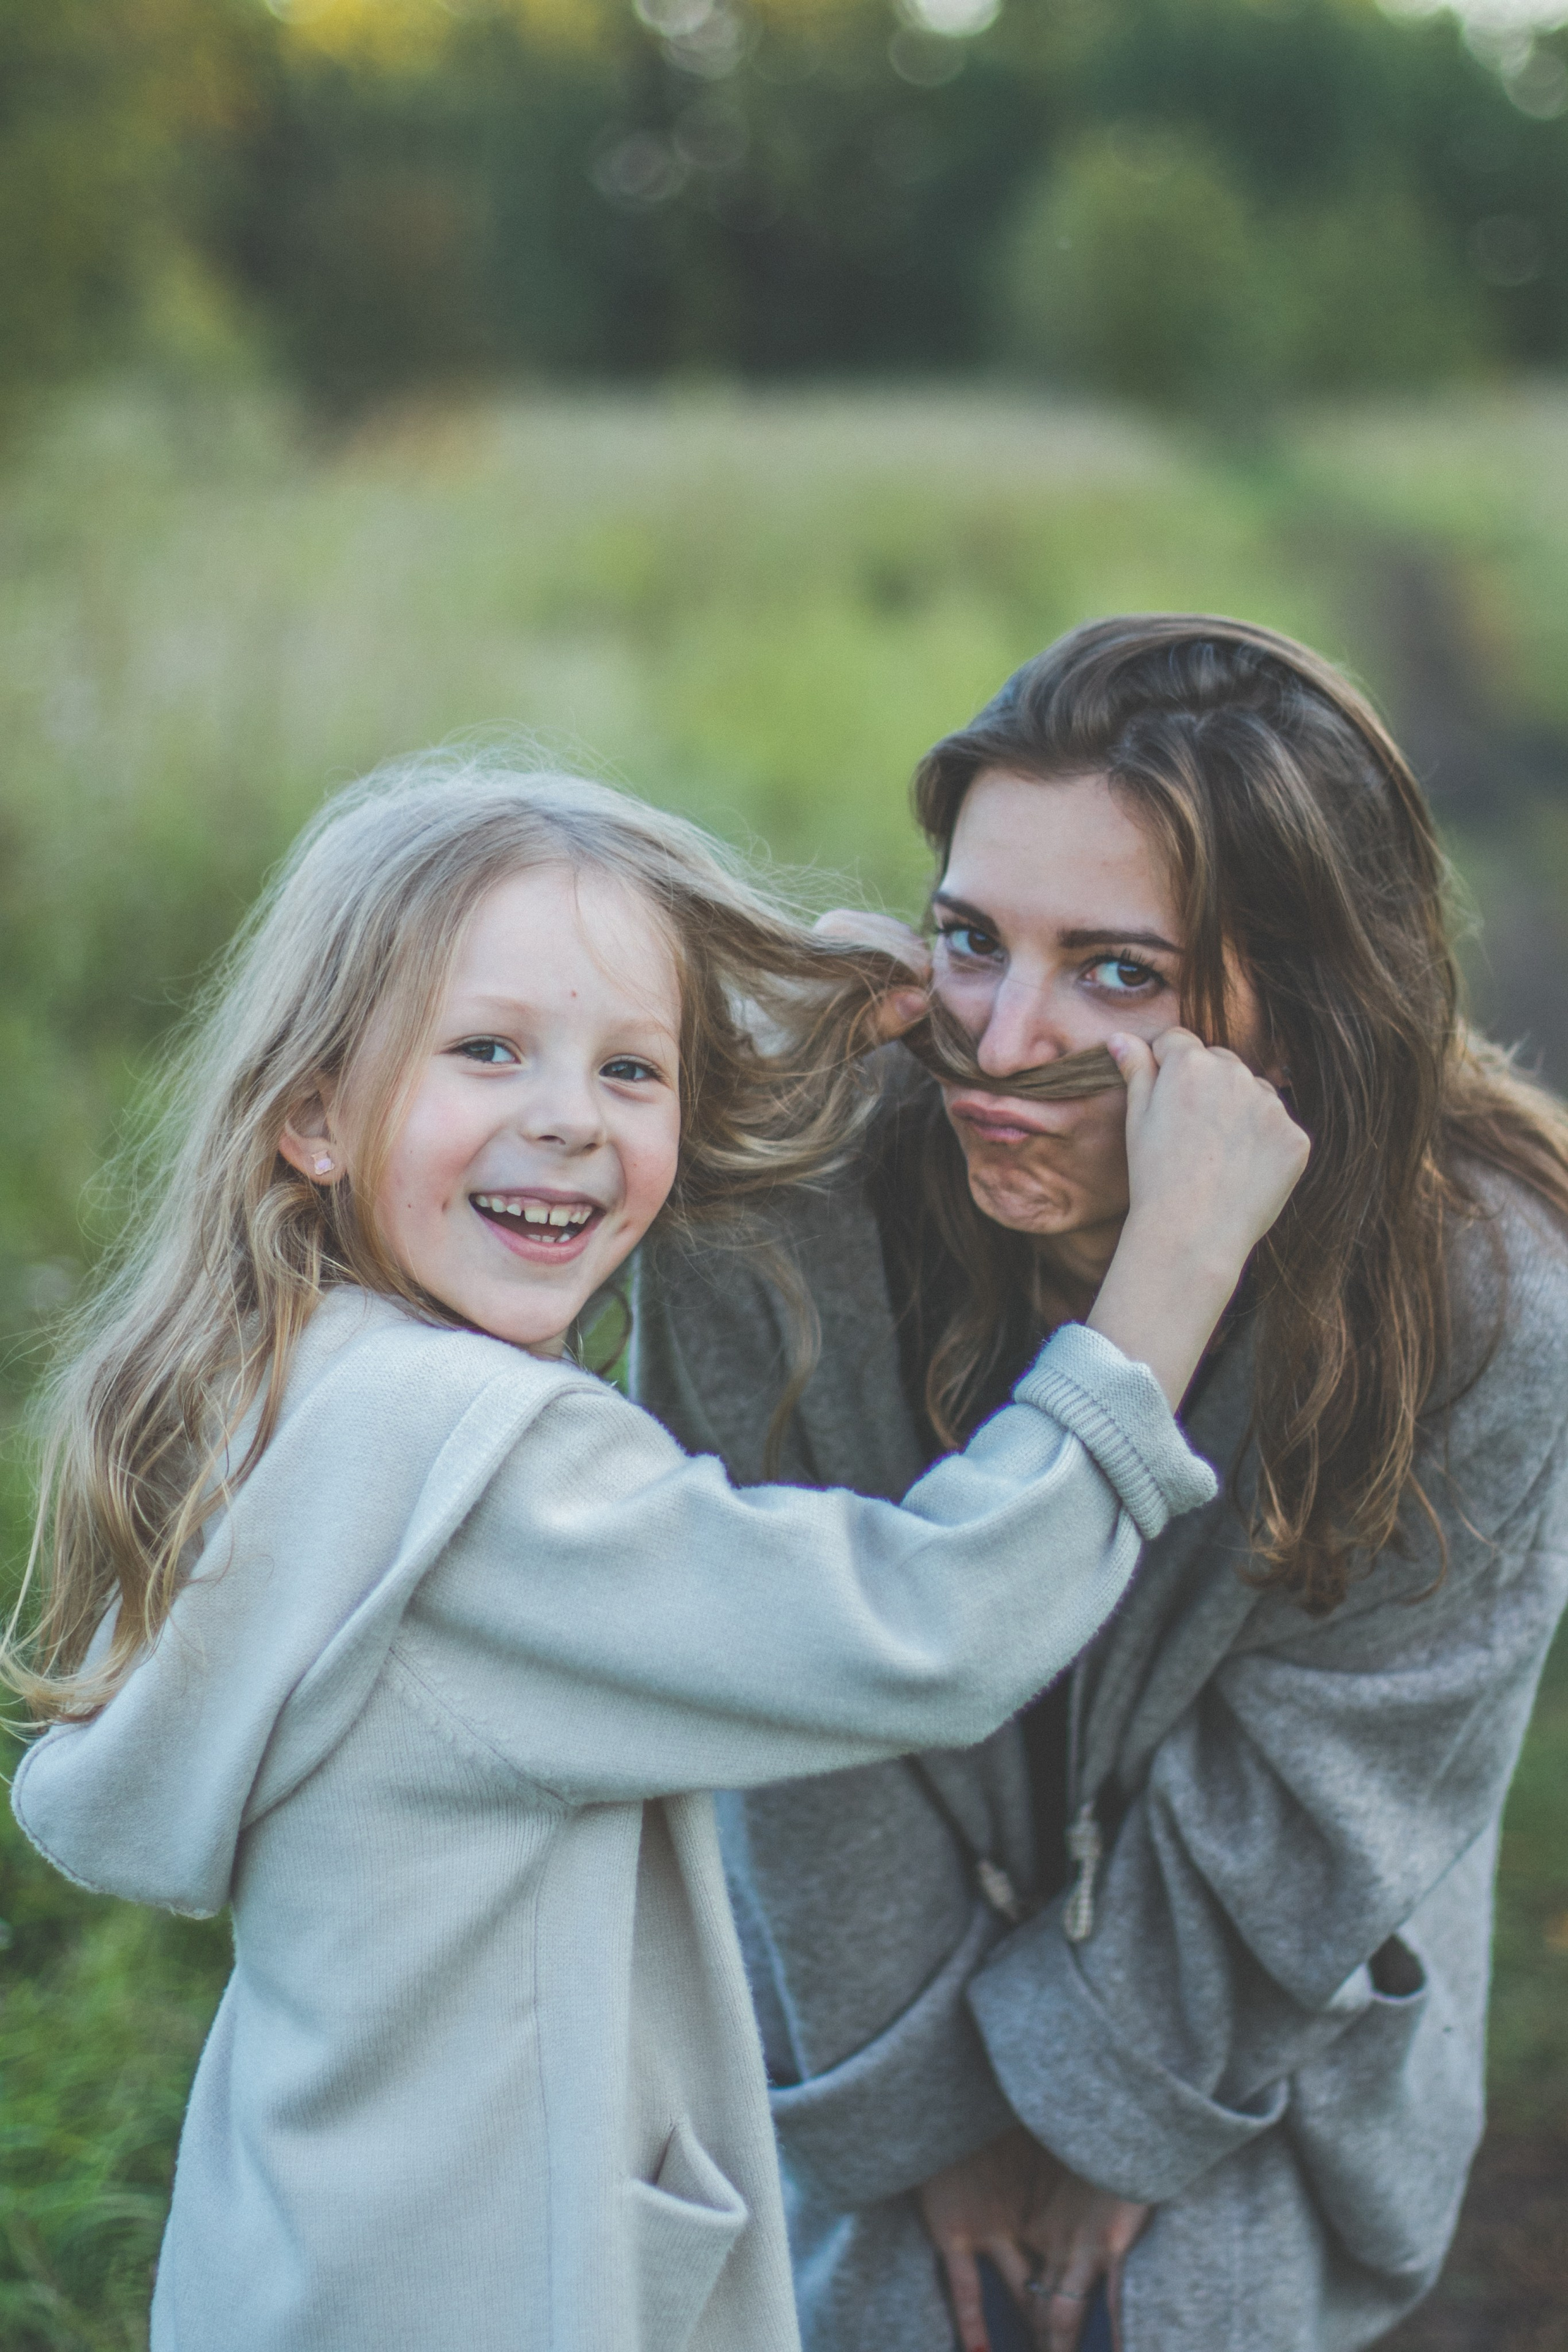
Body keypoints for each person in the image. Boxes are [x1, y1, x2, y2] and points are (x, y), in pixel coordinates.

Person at [4, 755, 1305, 2352]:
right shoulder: (494, 1486)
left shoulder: (318, 1394)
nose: (566, 1119)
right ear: (314, 1114)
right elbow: (935, 1629)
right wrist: (1168, 1277)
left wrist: (793, 1027)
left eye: (634, 1072)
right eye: (487, 1052)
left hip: (304, 2255)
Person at [632, 616, 1568, 2352]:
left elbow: (1328, 1788)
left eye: (1119, 972)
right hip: (849, 1988)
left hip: (1261, 2008)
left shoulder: (1489, 1306)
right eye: (972, 940)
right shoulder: (780, 1214)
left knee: (1183, 2304)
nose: (1000, 1042)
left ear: (1303, 998)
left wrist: (1106, 2110)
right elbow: (781, 1694)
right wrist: (924, 2125)